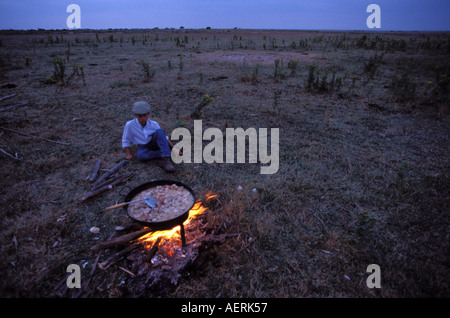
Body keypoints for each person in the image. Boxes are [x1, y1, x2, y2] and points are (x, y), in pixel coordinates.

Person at [122, 101, 176, 173]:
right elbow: (126, 140)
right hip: (143, 146)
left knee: (160, 131)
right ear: (135, 116)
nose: (143, 118)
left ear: (148, 114)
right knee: (141, 156)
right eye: (140, 116)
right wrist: (128, 154)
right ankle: (165, 152)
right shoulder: (130, 125)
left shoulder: (154, 124)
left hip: (154, 142)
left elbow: (164, 137)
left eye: (145, 115)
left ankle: (166, 159)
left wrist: (174, 147)